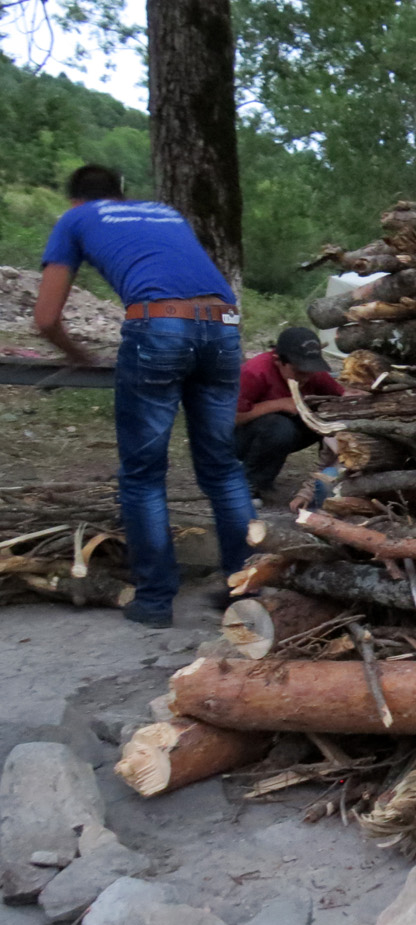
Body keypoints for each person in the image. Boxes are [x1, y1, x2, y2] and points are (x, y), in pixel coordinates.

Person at [32, 164, 255, 629]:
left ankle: (154, 599)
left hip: (159, 326)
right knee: (221, 467)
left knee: (143, 474)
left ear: (76, 199)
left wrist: (79, 354)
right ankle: (248, 584)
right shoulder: (163, 212)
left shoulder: (75, 218)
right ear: (123, 194)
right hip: (223, 326)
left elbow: (46, 318)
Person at [236, 327, 346, 499]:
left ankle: (331, 476)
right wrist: (278, 404)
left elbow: (341, 398)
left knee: (327, 416)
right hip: (240, 437)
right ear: (278, 360)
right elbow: (233, 418)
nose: (305, 378)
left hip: (285, 433)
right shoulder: (255, 372)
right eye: (299, 372)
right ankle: (250, 483)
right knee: (279, 427)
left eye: (309, 372)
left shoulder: (312, 375)